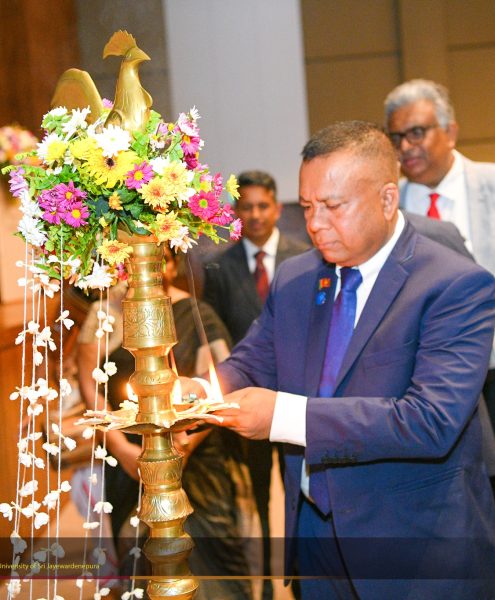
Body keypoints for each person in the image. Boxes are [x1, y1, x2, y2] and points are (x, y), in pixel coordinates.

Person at [185, 121, 495, 599]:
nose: (315, 224)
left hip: (411, 544)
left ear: (387, 199)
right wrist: (202, 392)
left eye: (333, 206)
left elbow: (431, 420)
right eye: (307, 207)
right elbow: (254, 360)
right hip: (314, 535)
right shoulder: (297, 277)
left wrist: (284, 417)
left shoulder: (454, 285)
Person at [77, 247, 259, 600]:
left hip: (197, 450)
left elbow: (219, 385)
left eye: (159, 261)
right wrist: (121, 448)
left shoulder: (197, 312)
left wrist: (184, 445)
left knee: (209, 553)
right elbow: (89, 382)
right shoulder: (105, 313)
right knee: (141, 553)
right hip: (127, 450)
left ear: (174, 265)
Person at [203, 169, 308, 597]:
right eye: (246, 207)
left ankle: (298, 575)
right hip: (245, 398)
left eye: (263, 205)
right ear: (236, 212)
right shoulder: (218, 266)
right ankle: (264, 580)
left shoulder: (305, 257)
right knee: (258, 493)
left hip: (297, 398)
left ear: (277, 208)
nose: (256, 214)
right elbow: (215, 331)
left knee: (299, 491)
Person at [385, 78, 495, 486]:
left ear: (450, 131)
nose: (406, 146)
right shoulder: (387, 207)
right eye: (396, 137)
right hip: (428, 382)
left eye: (416, 132)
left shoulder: (490, 184)